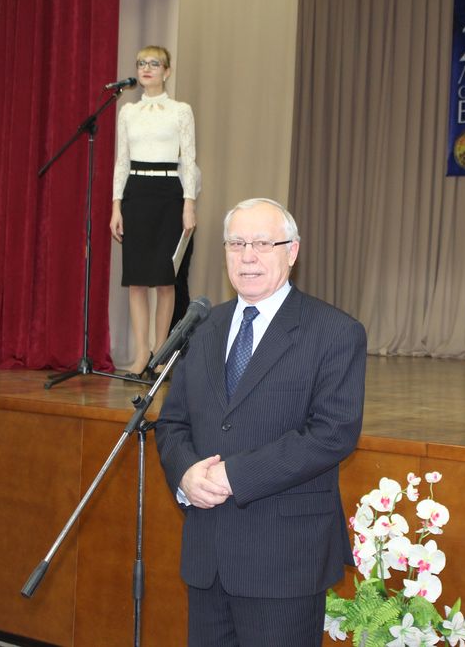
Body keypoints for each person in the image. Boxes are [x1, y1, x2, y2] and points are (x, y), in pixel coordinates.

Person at [154, 198, 367, 646]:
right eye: (236, 244)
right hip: (207, 557)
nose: (247, 256)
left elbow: (332, 434)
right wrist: (186, 474)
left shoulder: (334, 332)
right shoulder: (201, 328)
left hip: (284, 561)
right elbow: (172, 423)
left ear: (292, 252)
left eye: (263, 244)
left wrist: (234, 475)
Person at [110, 45, 198, 382]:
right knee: (136, 281)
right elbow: (122, 161)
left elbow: (188, 159)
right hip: (136, 192)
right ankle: (139, 355)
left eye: (154, 63)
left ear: (167, 71)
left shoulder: (180, 111)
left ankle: (160, 355)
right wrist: (116, 206)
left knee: (164, 280)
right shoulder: (127, 112)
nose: (146, 68)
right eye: (141, 63)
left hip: (168, 194)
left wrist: (189, 203)